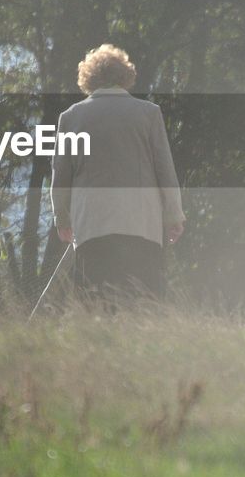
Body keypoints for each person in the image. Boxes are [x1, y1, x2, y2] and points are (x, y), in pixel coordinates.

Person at [50, 44, 185, 303]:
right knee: (142, 302)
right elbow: (164, 169)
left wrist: (62, 219)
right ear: (126, 76)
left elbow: (61, 175)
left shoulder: (71, 117)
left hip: (92, 225)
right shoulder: (148, 113)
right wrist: (174, 215)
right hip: (142, 224)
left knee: (95, 302)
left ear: (89, 78)